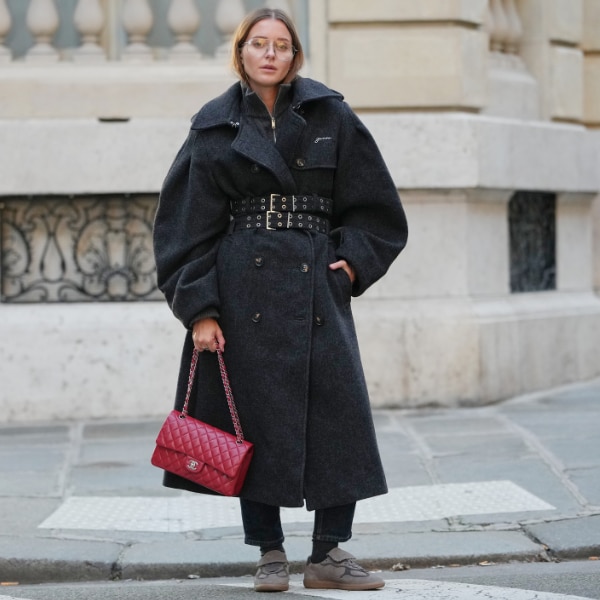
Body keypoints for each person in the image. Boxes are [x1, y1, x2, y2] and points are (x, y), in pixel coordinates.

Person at [153, 7, 408, 593]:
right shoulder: (213, 126)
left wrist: (352, 263)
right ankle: (269, 553)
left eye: (281, 45)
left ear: (295, 55)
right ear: (241, 51)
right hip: (243, 293)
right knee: (254, 421)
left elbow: (376, 205)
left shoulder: (331, 114)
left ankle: (328, 553)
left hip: (318, 288)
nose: (270, 54)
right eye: (259, 43)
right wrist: (200, 309)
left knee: (338, 416)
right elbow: (184, 227)